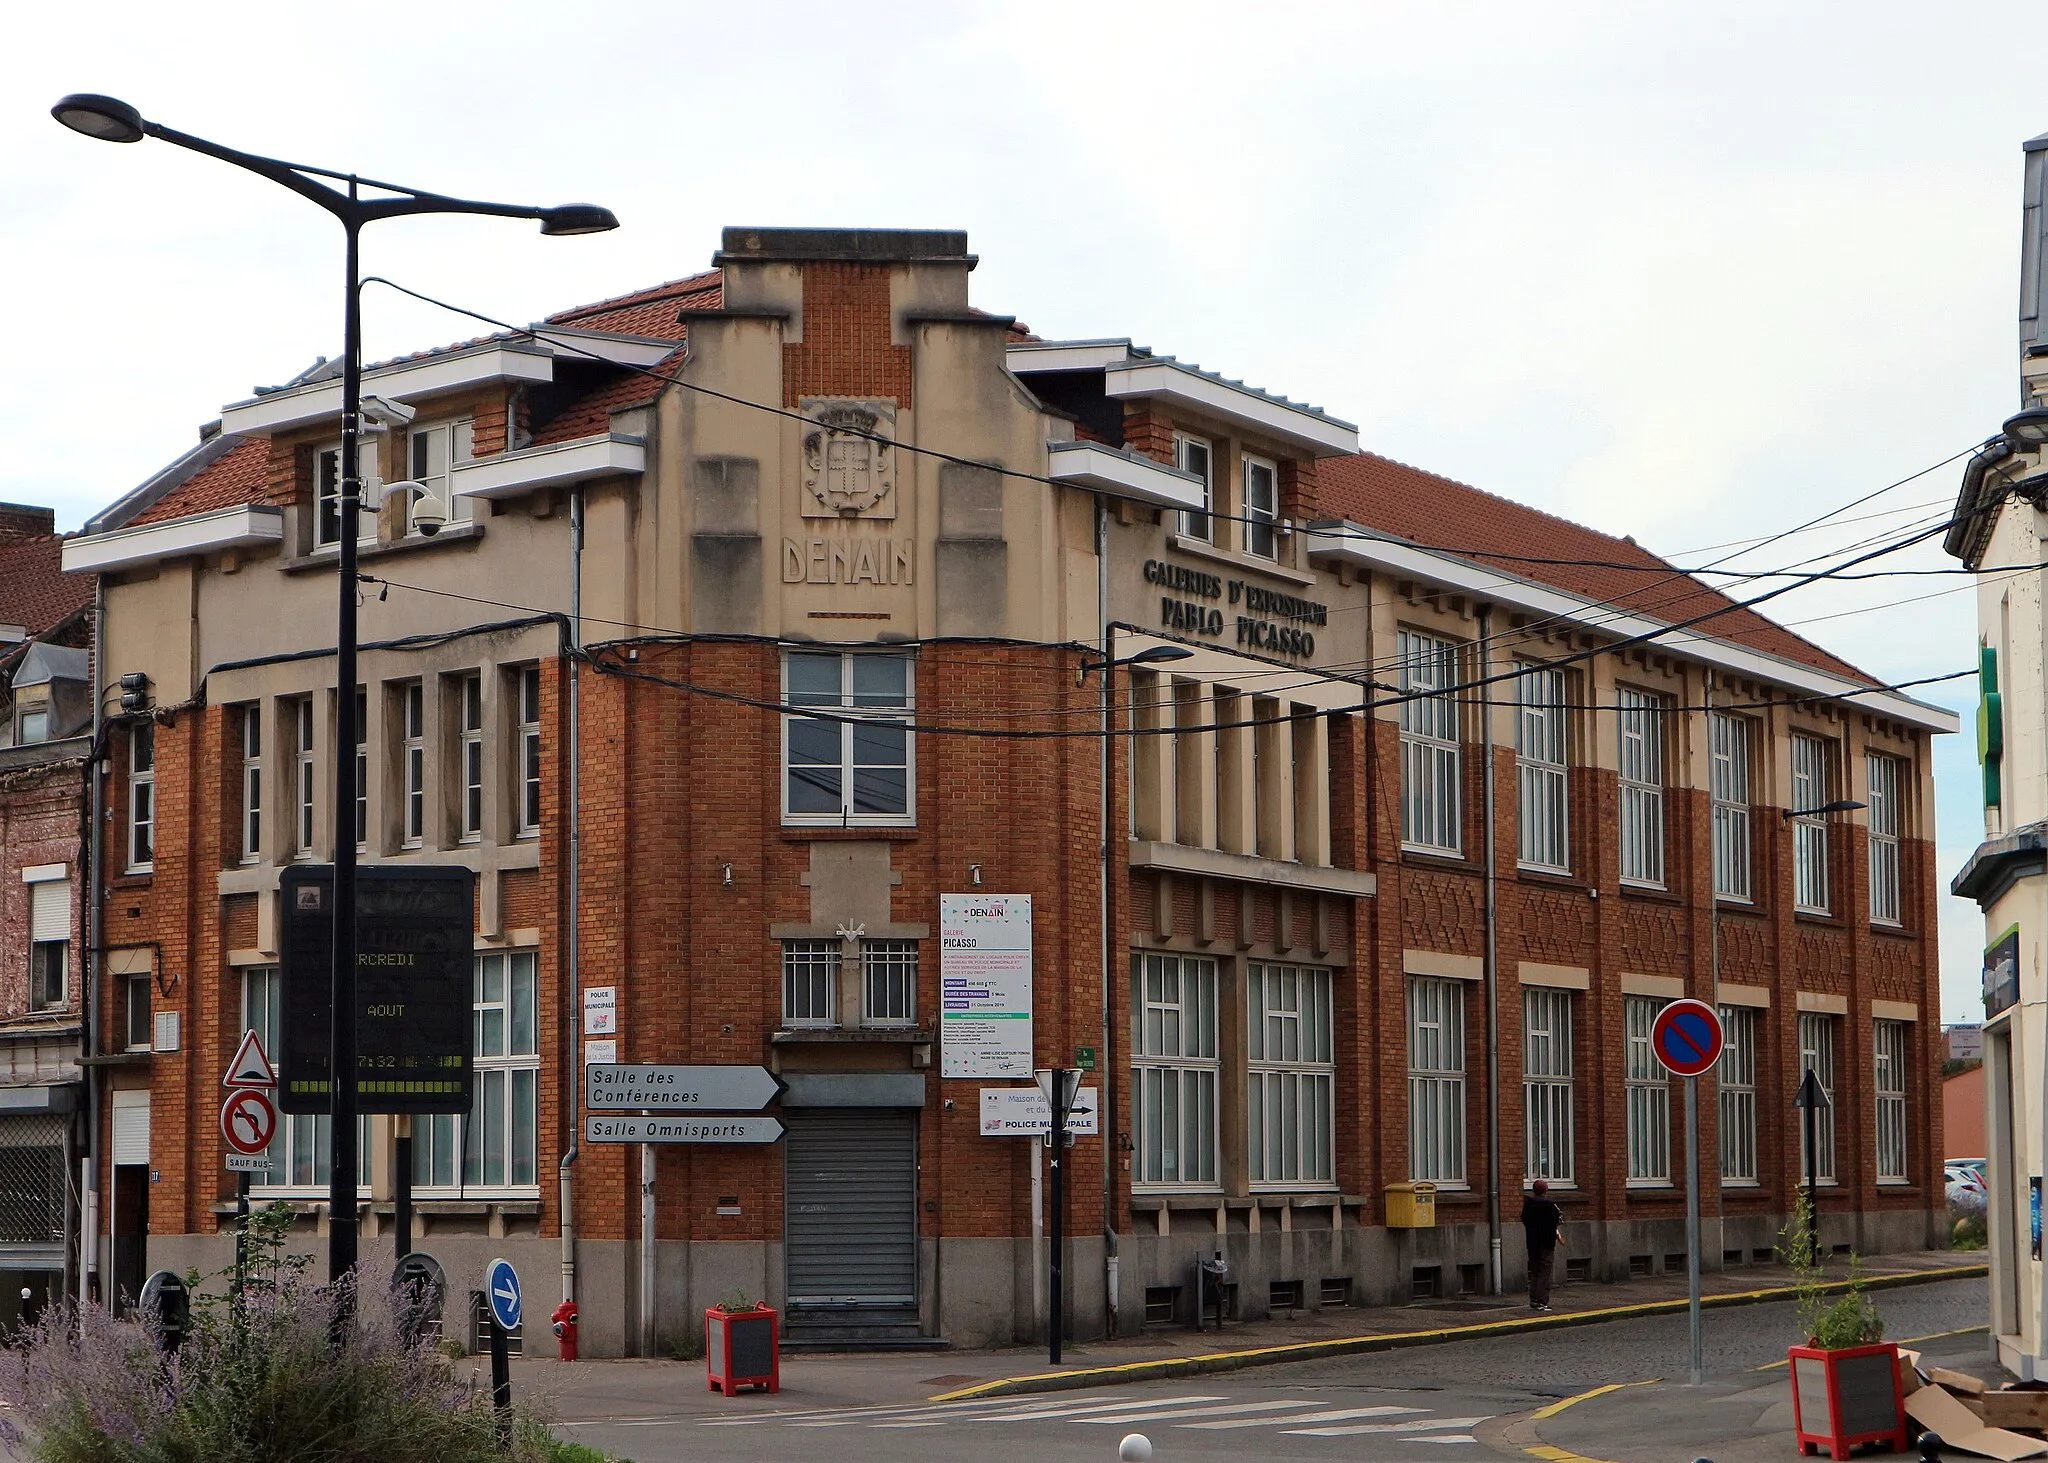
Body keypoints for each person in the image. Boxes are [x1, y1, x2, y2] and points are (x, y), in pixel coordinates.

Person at [1521, 1178, 1564, 1312]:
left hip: (1532, 1243)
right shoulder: (1550, 1205)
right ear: (1545, 1190)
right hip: (1547, 1242)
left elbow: (1524, 1219)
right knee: (1544, 1272)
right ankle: (1541, 1301)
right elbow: (1560, 1219)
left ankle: (1533, 1299)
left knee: (1535, 1271)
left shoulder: (1528, 1205)